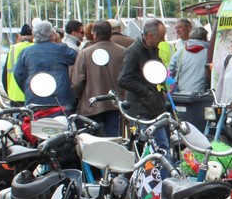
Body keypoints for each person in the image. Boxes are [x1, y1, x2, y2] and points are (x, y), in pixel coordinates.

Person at [119, 18, 171, 149]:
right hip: (140, 110)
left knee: (162, 146)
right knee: (143, 147)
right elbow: (123, 79)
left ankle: (163, 169)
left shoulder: (153, 49)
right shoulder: (133, 52)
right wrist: (146, 92)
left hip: (156, 107)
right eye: (161, 37)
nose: (163, 40)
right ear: (149, 36)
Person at [70, 20, 127, 136]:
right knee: (115, 141)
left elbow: (77, 83)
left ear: (94, 34)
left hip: (91, 105)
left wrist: (79, 97)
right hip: (116, 105)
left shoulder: (85, 53)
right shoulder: (123, 52)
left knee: (93, 141)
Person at [12, 20, 78, 113]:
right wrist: (59, 42)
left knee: (35, 124)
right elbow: (76, 58)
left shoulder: (25, 52)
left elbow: (17, 74)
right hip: (60, 100)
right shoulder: (61, 49)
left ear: (34, 34)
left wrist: (28, 88)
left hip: (34, 99)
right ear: (52, 35)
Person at [168, 24, 212, 132]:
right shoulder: (210, 53)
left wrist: (172, 87)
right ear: (204, 38)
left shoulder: (180, 51)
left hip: (181, 97)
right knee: (200, 129)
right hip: (202, 98)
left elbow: (168, 73)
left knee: (183, 128)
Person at [1, 23, 34, 103]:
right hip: (32, 95)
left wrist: (9, 92)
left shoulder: (12, 49)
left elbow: (4, 74)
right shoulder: (35, 48)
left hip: (14, 94)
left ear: (20, 36)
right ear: (33, 37)